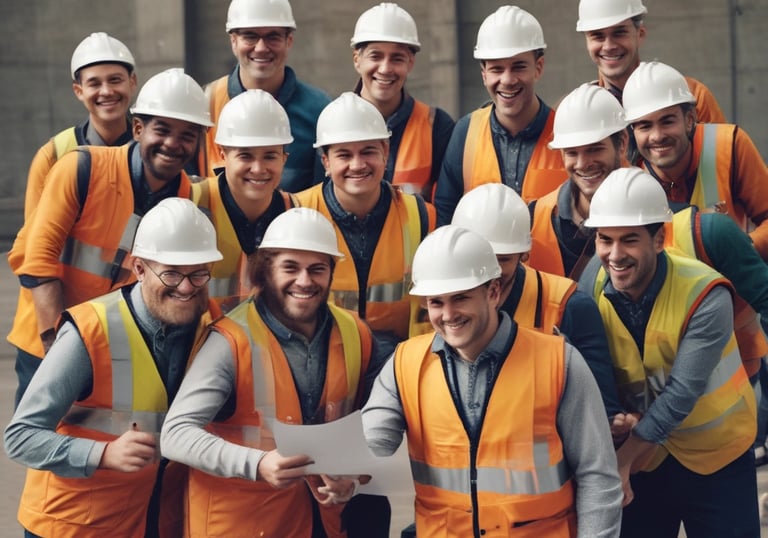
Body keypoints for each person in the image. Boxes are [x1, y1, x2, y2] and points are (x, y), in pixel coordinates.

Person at [362, 224, 623, 536]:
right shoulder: (405, 364)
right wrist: (346, 473)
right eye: (436, 302)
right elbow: (373, 441)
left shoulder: (558, 362)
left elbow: (598, 476)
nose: (448, 315)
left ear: (494, 292)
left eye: (460, 298)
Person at [160, 207, 389, 538]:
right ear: (265, 271)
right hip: (240, 524)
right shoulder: (230, 340)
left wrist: (354, 478)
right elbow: (176, 435)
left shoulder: (356, 332)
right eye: (290, 268)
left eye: (317, 269)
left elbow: (371, 426)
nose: (305, 281)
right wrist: (256, 464)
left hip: (321, 522)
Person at [4, 198, 223, 538]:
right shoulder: (89, 332)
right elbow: (20, 437)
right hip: (74, 526)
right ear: (138, 268)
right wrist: (102, 453)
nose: (186, 287)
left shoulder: (213, 325)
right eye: (171, 274)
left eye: (199, 274)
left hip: (154, 519)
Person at [7, 68, 212, 407]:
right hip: (47, 338)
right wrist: (59, 349)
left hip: (110, 347)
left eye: (187, 135)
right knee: (45, 445)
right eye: (162, 129)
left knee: (99, 444)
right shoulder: (81, 169)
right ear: (137, 128)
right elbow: (37, 261)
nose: (173, 144)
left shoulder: (184, 198)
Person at [580, 167, 758, 536]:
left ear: (659, 238)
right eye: (605, 240)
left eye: (629, 240)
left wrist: (622, 460)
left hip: (717, 456)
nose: (614, 255)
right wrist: (615, 418)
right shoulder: (593, 283)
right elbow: (592, 363)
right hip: (648, 456)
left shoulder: (706, 294)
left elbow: (680, 394)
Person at [452, 183, 621, 419]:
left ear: (524, 254)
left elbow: (602, 411)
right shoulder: (439, 304)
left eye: (502, 260)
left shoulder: (569, 307)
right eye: (478, 257)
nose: (488, 273)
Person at [296, 92, 436, 347]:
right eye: (344, 155)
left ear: (385, 152)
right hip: (323, 365)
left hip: (401, 364)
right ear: (326, 161)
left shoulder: (422, 216)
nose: (357, 165)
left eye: (368, 151)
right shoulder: (297, 213)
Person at [622, 60, 768, 259]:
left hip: (735, 284)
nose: (657, 136)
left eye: (667, 121)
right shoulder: (627, 178)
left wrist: (743, 250)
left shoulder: (729, 146)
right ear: (633, 132)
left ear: (690, 120)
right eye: (645, 126)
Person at [433, 5, 565, 225]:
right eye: (496, 69)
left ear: (538, 67)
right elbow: (445, 219)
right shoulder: (465, 134)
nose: (507, 80)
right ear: (484, 74)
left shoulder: (564, 133)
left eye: (518, 67)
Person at [200, 0, 330, 190]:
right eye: (250, 36)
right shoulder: (205, 105)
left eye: (273, 36)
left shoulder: (320, 111)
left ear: (289, 41)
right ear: (233, 41)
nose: (261, 47)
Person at [192, 88, 297, 312]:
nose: (258, 169)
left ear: (284, 159)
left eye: (270, 156)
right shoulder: (192, 203)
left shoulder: (296, 213)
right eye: (245, 155)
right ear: (222, 155)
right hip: (199, 343)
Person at [23, 32, 138, 220]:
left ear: (132, 82)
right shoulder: (54, 155)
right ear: (79, 91)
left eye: (115, 80)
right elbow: (31, 238)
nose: (107, 91)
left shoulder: (153, 147)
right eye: (94, 83)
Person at [350, 2, 454, 200]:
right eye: (376, 56)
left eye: (397, 58)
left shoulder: (437, 126)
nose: (385, 68)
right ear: (357, 59)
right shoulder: (333, 123)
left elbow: (446, 206)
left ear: (410, 63)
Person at [529, 83, 629, 280]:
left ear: (622, 143)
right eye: (572, 153)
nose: (583, 164)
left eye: (594, 149)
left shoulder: (657, 212)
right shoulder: (535, 218)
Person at [576, 0, 726, 125]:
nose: (609, 46)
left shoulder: (692, 96)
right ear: (587, 42)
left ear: (640, 34)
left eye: (619, 32)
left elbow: (717, 157)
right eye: (597, 36)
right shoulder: (578, 113)